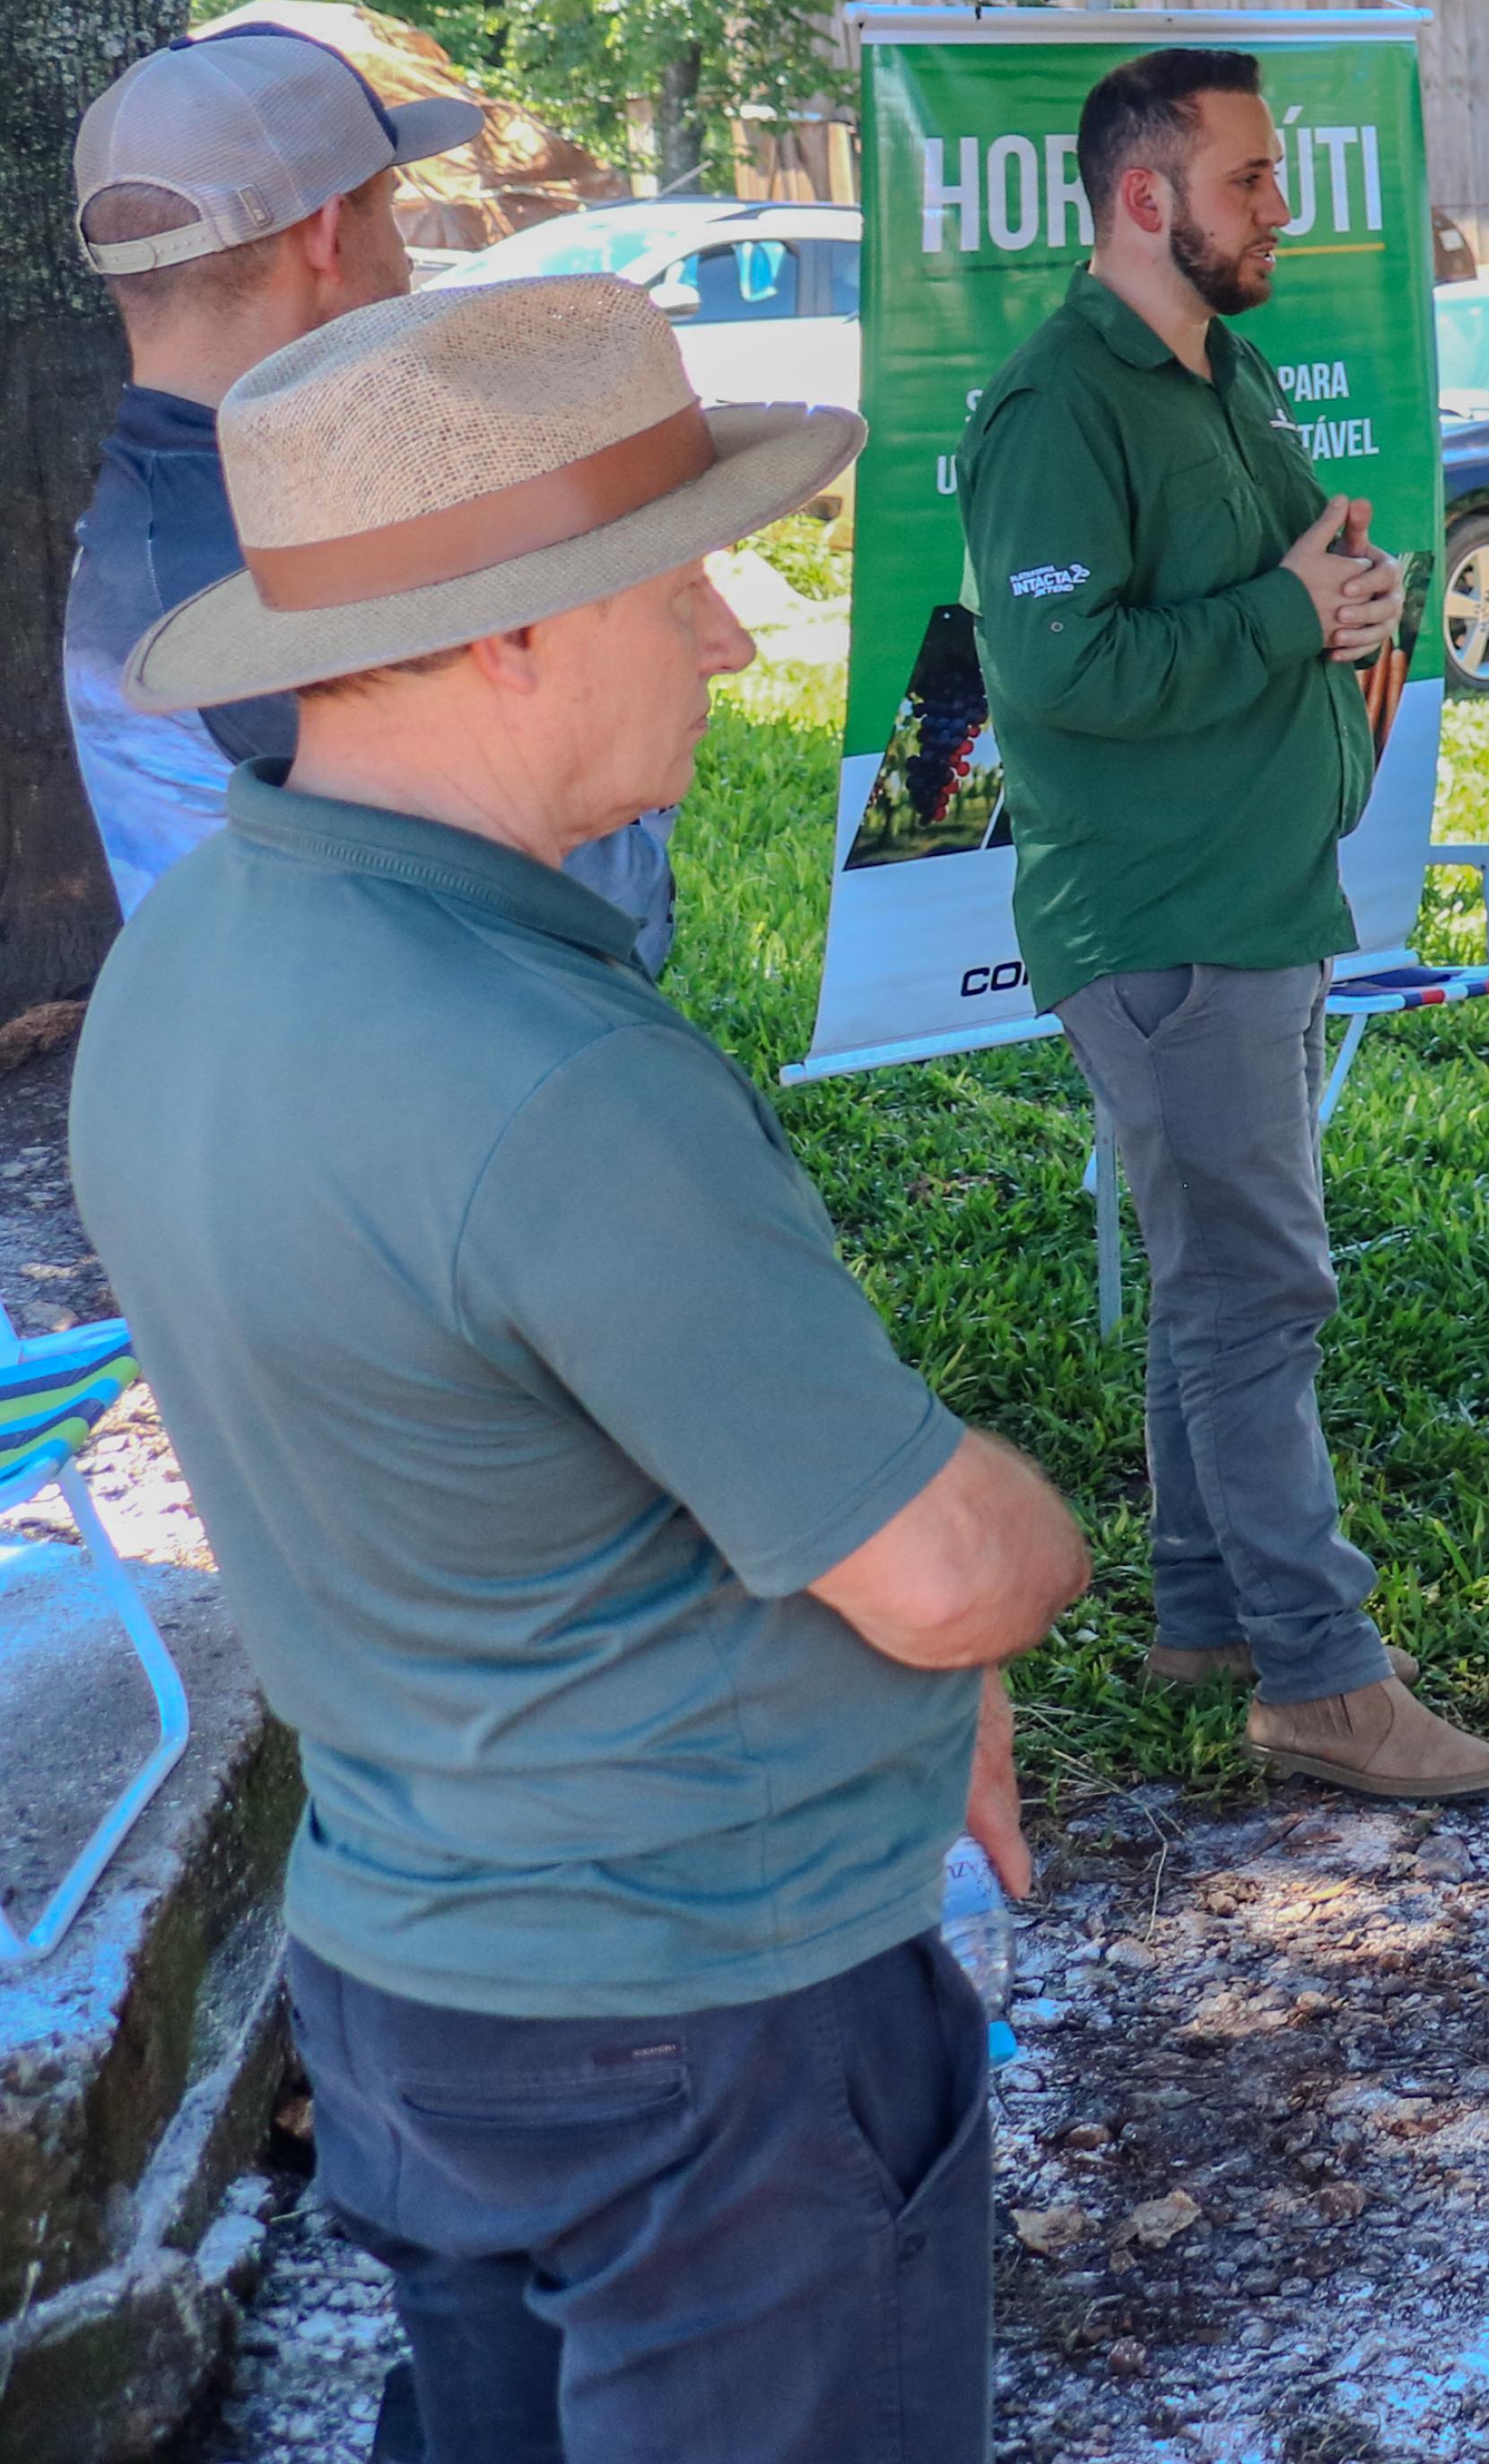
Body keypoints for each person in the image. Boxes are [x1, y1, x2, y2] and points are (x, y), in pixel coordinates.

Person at [72, 275, 1090, 2461]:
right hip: (705, 2023)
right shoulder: (549, 1078)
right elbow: (939, 1571)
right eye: (679, 578)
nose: (729, 639)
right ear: (516, 633)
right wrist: (1016, 1554)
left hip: (417, 1978)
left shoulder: (187, 960)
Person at [958, 45, 1489, 1803]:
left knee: (1216, 1278)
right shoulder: (1058, 405)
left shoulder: (1231, 369)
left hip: (1254, 896)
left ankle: (1205, 1616)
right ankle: (1320, 1679)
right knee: (1261, 1289)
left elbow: (1291, 578)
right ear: (1147, 197)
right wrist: (1287, 614)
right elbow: (1053, 676)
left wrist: (1354, 592)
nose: (1283, 206)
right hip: (1165, 918)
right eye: (1251, 177)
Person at [66, 23, 677, 958]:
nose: (405, 255)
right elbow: (582, 896)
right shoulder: (275, 562)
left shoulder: (172, 507)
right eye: (389, 207)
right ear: (326, 234)